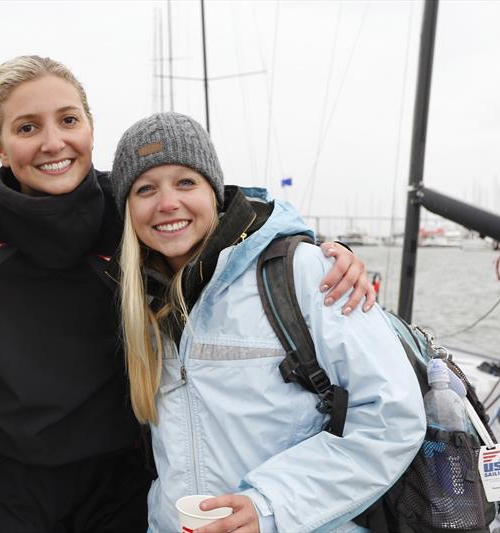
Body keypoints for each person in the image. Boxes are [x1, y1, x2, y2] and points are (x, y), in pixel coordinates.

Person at [0, 55, 378, 533]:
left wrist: (319, 247)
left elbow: (232, 217)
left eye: (68, 120)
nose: (54, 142)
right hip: (14, 486)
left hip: (122, 480)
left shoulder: (132, 209)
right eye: (28, 127)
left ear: (91, 128)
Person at [110, 112, 427, 533]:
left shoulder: (305, 273)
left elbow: (391, 416)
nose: (167, 203)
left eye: (186, 182)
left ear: (215, 192)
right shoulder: (146, 304)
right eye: (145, 189)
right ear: (127, 209)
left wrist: (269, 506)